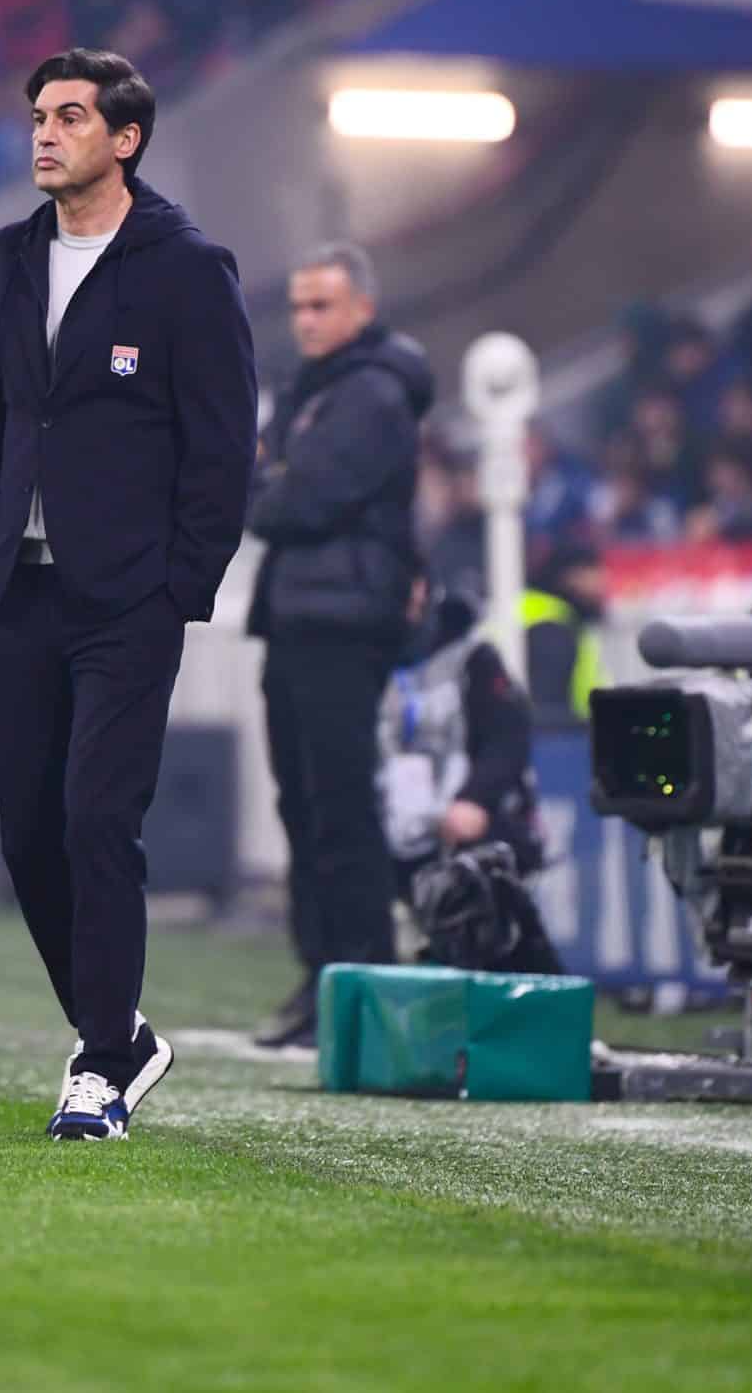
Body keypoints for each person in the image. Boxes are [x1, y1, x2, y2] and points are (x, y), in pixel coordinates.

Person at [0, 47, 256, 1140]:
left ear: (123, 139)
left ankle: (95, 1066)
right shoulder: (7, 258)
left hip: (125, 601)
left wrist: (180, 584)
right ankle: (122, 1035)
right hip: (14, 596)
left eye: (69, 116)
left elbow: (223, 449)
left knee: (95, 818)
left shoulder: (183, 267)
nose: (43, 132)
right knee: (27, 835)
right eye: (37, 114)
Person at [245, 242, 433, 1050]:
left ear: (363, 307)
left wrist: (266, 483)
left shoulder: (373, 396)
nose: (307, 321)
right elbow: (269, 487)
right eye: (298, 306)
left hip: (344, 617)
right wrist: (268, 483)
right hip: (297, 611)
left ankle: (360, 972)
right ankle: (321, 973)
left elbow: (296, 499)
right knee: (301, 803)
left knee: (339, 804)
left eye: (322, 305)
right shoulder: (313, 391)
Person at [379, 575, 559, 976]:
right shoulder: (366, 658)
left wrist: (476, 798)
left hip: (471, 823)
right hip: (398, 826)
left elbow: (508, 733)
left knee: (492, 929)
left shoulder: (472, 656)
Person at [521, 545, 606, 731]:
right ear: (570, 578)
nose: (602, 585)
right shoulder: (551, 624)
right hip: (560, 745)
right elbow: (549, 708)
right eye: (593, 575)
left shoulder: (552, 615)